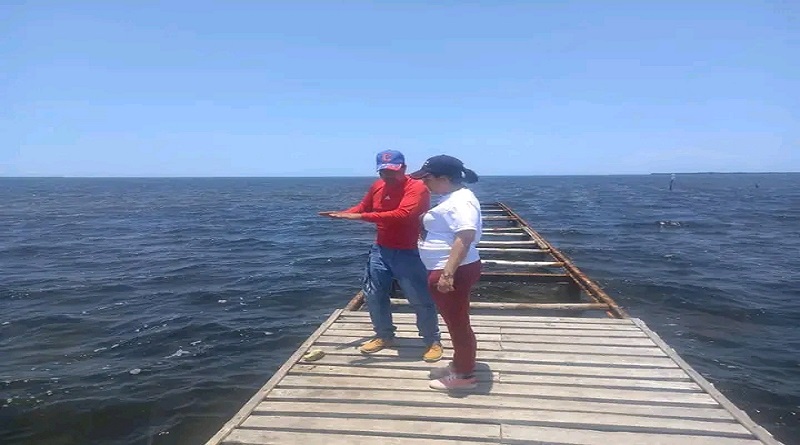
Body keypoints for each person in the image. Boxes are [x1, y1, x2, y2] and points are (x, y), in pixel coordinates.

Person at [319, 149, 443, 362]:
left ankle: (432, 340)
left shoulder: (418, 188)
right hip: (381, 250)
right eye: (383, 171)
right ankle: (384, 336)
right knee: (374, 296)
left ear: (403, 168)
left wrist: (358, 217)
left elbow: (402, 215)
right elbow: (364, 206)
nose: (387, 175)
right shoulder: (377, 186)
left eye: (392, 171)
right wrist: (343, 214)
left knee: (419, 298)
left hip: (410, 252)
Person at [409, 154, 482, 390]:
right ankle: (460, 363)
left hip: (453, 271)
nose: (423, 183)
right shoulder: (453, 197)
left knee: (457, 322)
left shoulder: (460, 202)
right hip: (450, 269)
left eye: (427, 178)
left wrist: (447, 274)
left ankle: (463, 376)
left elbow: (466, 235)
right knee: (456, 320)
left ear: (443, 178)